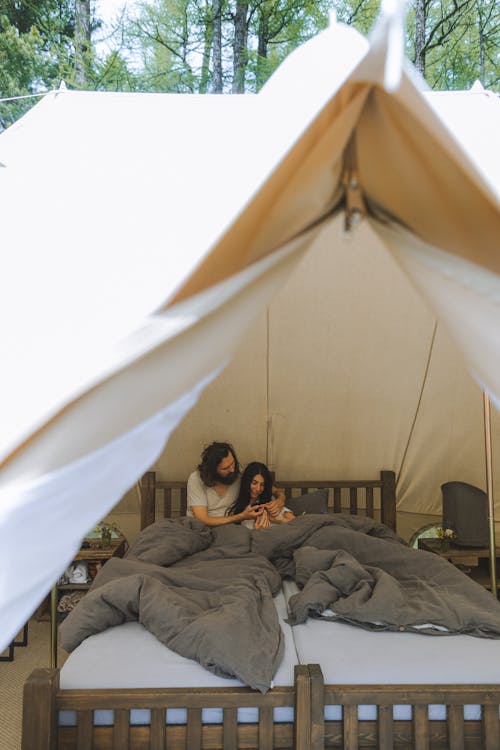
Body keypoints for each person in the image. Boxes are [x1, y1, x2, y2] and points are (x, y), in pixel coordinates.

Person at [187, 442, 283, 527]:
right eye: (225, 468)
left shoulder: (237, 474)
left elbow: (271, 489)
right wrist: (241, 516)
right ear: (213, 470)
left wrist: (280, 500)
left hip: (230, 529)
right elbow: (203, 520)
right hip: (200, 530)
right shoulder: (196, 479)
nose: (232, 469)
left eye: (233, 463)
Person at [226, 462, 294, 529]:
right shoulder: (237, 509)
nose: (258, 489)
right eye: (254, 483)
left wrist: (279, 520)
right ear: (246, 482)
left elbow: (297, 524)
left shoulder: (269, 503)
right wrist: (257, 533)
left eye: (262, 485)